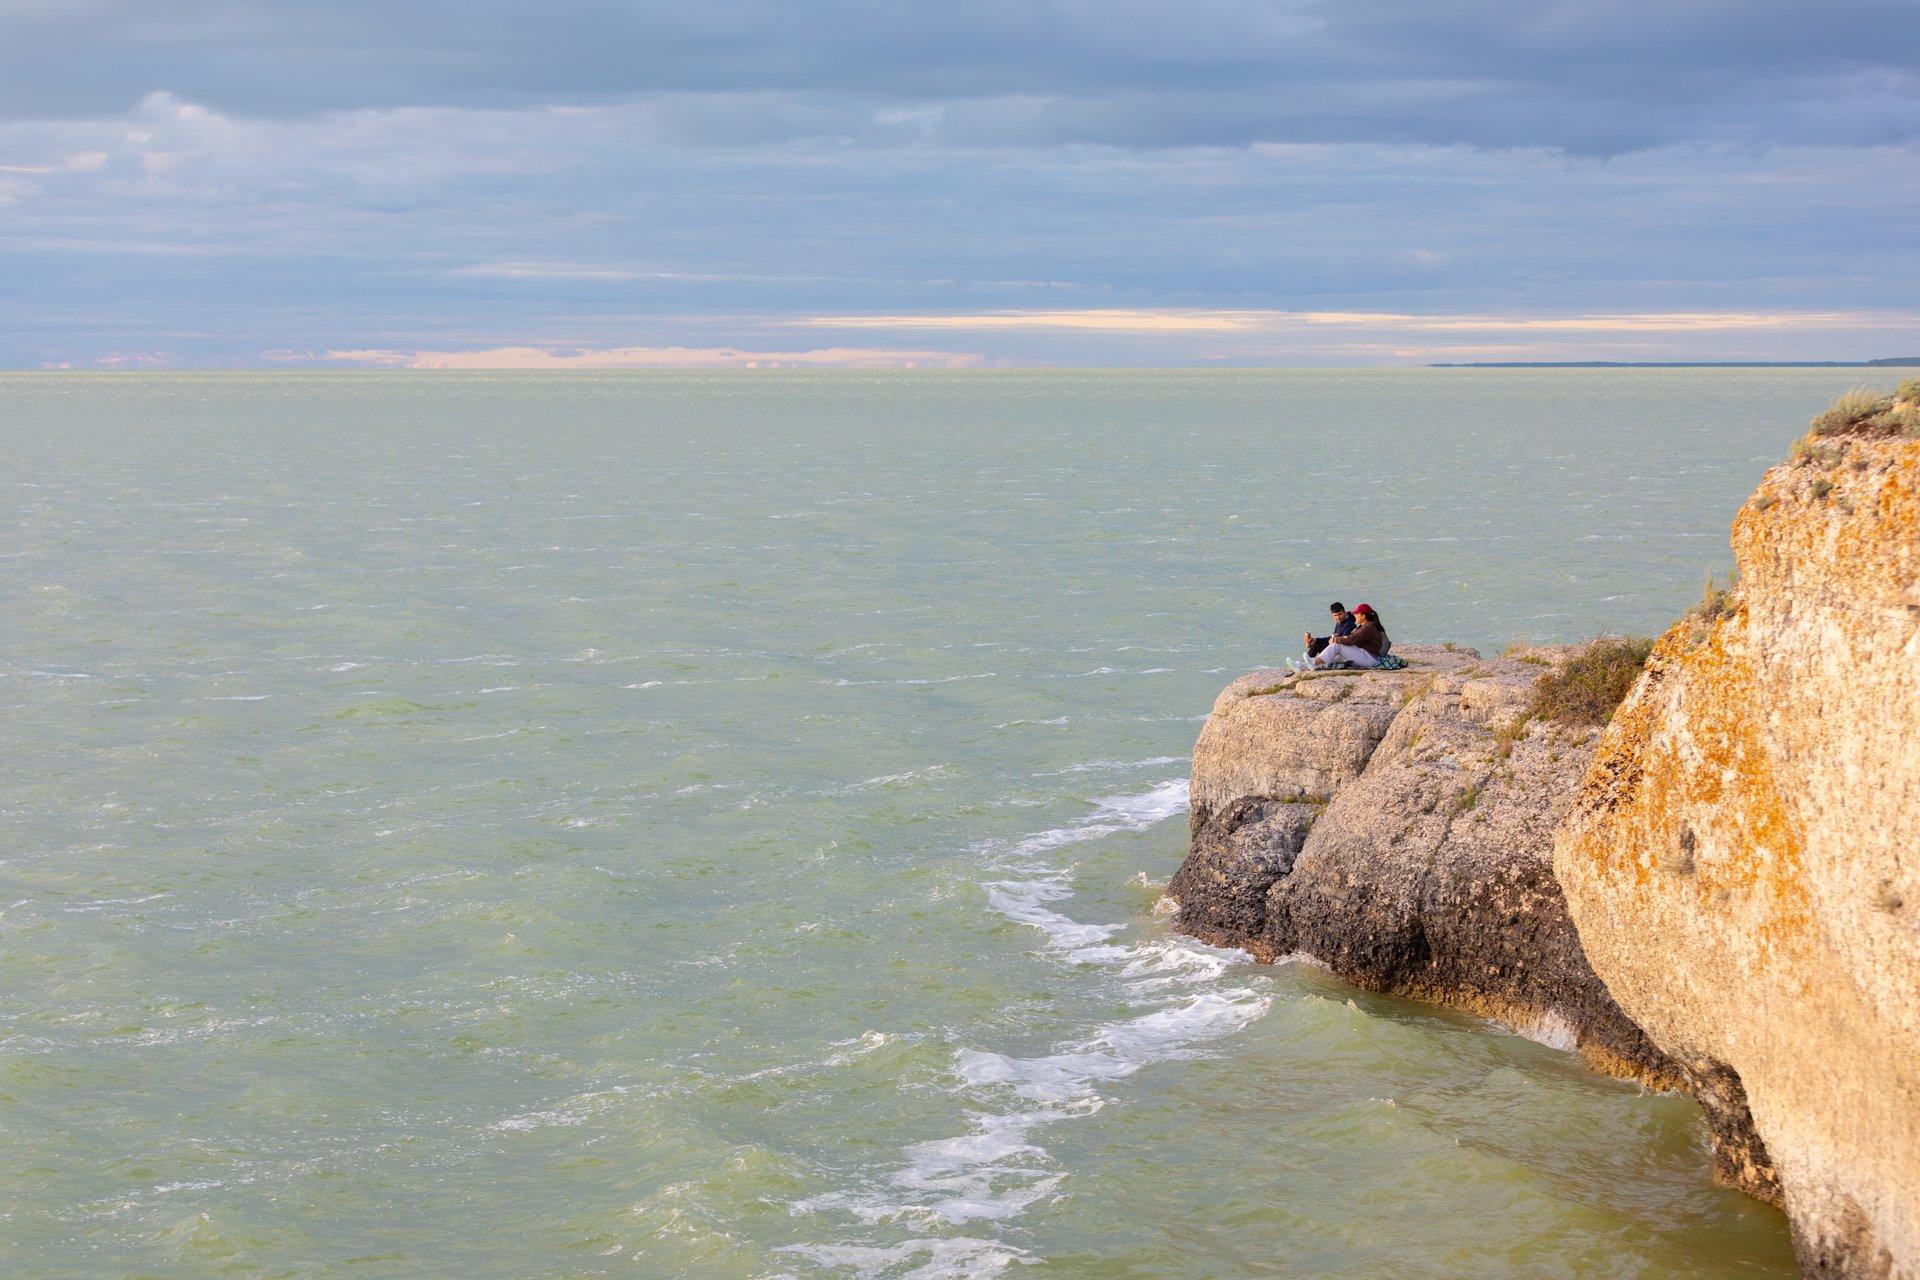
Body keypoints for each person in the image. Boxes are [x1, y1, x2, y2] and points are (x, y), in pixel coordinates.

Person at [1308, 603, 1388, 669]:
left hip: (1370, 658)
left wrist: (1336, 640)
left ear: (1363, 616)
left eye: (1357, 613)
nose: (1355, 615)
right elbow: (1352, 638)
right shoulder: (1365, 626)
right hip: (1367, 655)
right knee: (1334, 658)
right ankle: (1304, 665)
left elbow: (1353, 639)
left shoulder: (1368, 627)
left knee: (1336, 646)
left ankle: (1313, 663)